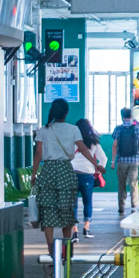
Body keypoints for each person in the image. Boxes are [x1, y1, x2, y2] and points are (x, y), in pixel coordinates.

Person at [31, 99, 104, 253]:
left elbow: (38, 154)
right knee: (67, 210)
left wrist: (33, 174)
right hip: (66, 171)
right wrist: (96, 165)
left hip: (48, 171)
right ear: (66, 113)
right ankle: (66, 247)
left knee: (48, 211)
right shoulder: (73, 129)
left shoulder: (43, 130)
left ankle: (51, 249)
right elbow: (83, 149)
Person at [70, 118, 107, 239]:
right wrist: (98, 169)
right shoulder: (93, 142)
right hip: (87, 175)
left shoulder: (72, 142)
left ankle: (75, 232)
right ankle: (86, 229)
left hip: (72, 174)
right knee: (87, 202)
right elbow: (104, 158)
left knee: (73, 204)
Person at [112, 107, 139, 215]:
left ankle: (121, 207)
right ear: (131, 116)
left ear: (122, 117)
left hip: (121, 161)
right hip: (134, 161)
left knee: (121, 184)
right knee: (133, 183)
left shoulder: (118, 129)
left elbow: (114, 145)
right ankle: (134, 206)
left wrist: (113, 161)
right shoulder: (137, 129)